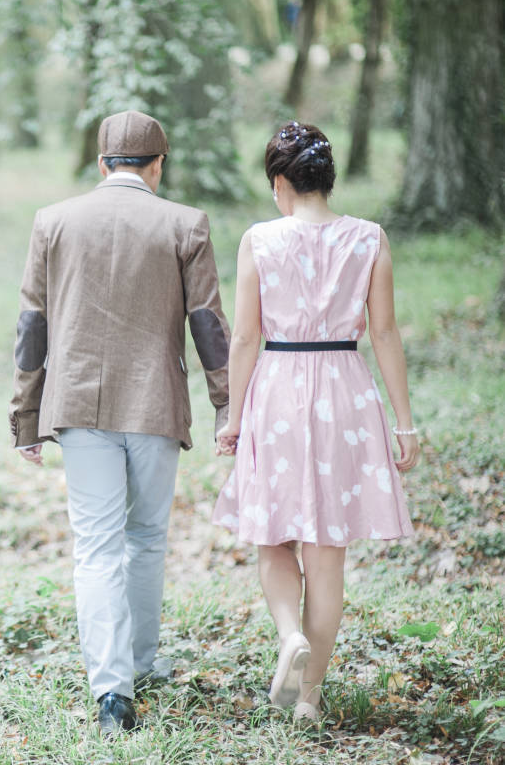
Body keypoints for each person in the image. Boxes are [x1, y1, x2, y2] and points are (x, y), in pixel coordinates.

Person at [9, 109, 231, 735]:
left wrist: (25, 416)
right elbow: (209, 324)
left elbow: (33, 324)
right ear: (157, 165)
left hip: (78, 406)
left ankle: (113, 691)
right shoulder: (186, 223)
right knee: (147, 539)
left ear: (103, 163)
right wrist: (227, 407)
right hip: (156, 405)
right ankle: (142, 664)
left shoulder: (52, 221)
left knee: (96, 547)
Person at [213, 121, 419, 722]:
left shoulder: (260, 240)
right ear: (327, 179)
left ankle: (288, 638)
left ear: (281, 182)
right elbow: (383, 332)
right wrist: (404, 424)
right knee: (327, 555)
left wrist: (231, 413)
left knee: (272, 535)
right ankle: (310, 698)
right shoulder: (370, 238)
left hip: (277, 391)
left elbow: (247, 335)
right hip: (346, 396)